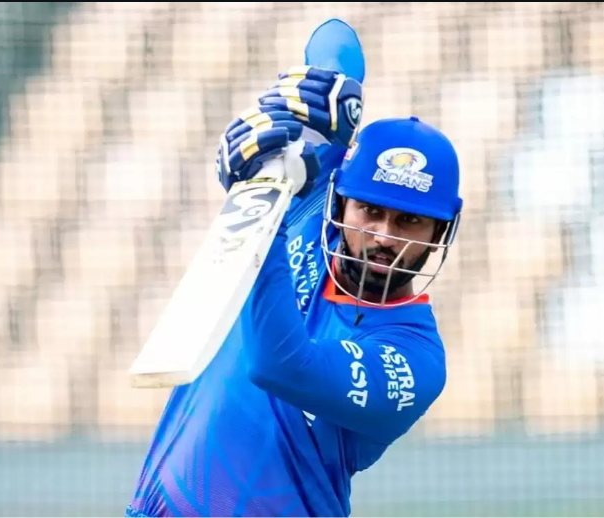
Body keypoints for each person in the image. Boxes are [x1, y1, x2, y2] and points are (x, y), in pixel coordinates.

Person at [126, 20, 462, 518]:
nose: (384, 235)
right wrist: (325, 97)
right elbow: (335, 41)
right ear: (342, 202)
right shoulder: (312, 206)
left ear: (439, 233)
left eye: (410, 221)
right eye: (371, 211)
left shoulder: (414, 359)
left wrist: (258, 215)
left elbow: (280, 364)